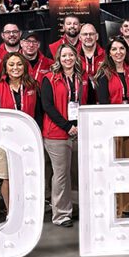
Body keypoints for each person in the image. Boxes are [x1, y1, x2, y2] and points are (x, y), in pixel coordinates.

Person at [0, 51, 42, 212]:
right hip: (4, 141)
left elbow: (38, 113)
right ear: (5, 67)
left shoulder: (33, 87)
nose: (15, 68)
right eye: (11, 64)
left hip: (27, 140)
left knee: (27, 176)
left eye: (19, 64)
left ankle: (27, 210)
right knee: (7, 178)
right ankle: (11, 211)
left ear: (24, 67)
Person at [39, 44, 86, 227]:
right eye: (64, 55)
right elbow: (47, 106)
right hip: (56, 133)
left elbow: (84, 103)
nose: (67, 58)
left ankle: (73, 208)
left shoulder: (81, 78)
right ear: (58, 58)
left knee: (74, 173)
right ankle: (60, 215)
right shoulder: (48, 79)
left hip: (78, 131)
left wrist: (77, 125)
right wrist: (67, 126)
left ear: (76, 57)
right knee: (60, 175)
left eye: (70, 55)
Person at [94, 38, 129, 216]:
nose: (119, 52)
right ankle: (115, 205)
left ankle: (128, 203)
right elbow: (104, 103)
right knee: (115, 166)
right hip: (112, 128)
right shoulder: (103, 74)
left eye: (122, 48)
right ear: (109, 52)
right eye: (114, 49)